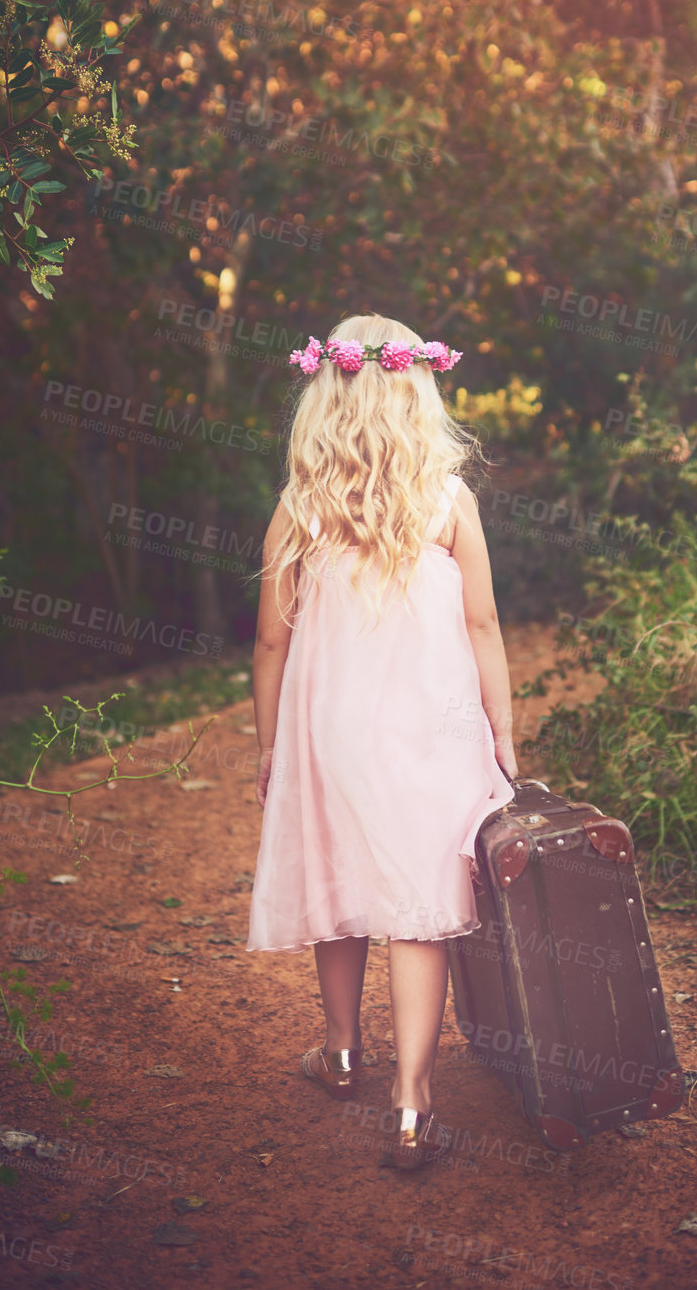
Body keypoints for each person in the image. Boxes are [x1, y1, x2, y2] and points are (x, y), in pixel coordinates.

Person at [246, 312, 518, 1171]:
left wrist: (267, 746)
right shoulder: (447, 499)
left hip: (332, 729)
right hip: (433, 729)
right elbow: (480, 623)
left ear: (324, 394)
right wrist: (501, 730)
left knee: (339, 873)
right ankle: (411, 1101)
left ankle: (340, 1052)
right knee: (418, 902)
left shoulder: (302, 505)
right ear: (418, 390)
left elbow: (270, 640)